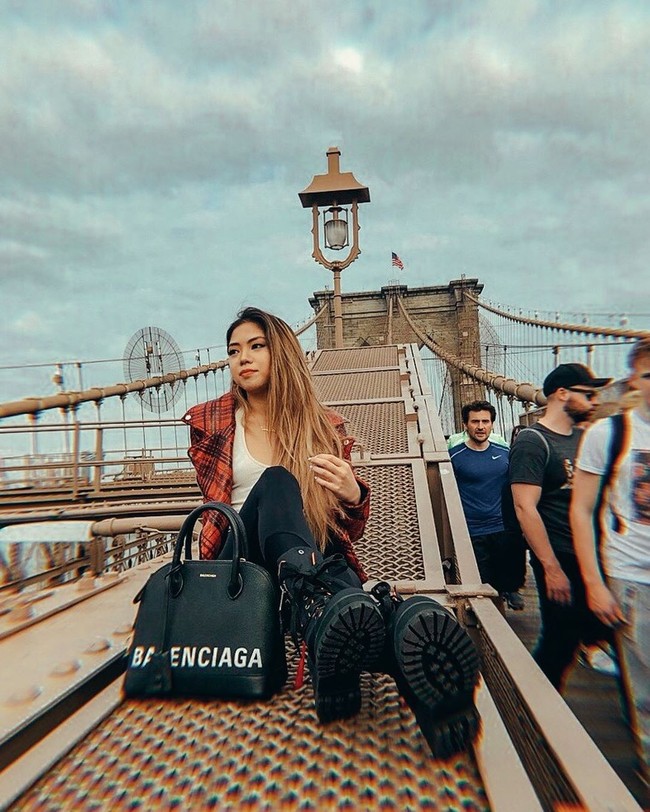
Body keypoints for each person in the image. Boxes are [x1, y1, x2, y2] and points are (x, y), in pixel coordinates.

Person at [183, 307, 480, 755]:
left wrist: (352, 493)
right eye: (234, 350)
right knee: (278, 482)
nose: (242, 357)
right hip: (238, 565)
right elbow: (217, 508)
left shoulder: (321, 426)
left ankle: (415, 669)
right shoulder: (213, 421)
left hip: (298, 567)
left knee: (339, 576)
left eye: (256, 346)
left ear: (281, 353)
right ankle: (336, 613)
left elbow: (348, 530)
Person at [570, 339, 650, 785]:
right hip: (633, 577)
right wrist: (595, 584)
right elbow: (582, 510)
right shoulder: (609, 434)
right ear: (634, 379)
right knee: (646, 690)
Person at [510, 362, 612, 691]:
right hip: (562, 556)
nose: (595, 401)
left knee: (608, 629)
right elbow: (525, 507)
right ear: (562, 394)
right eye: (588, 395)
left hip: (597, 554)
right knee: (560, 640)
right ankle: (534, 704)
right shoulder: (532, 441)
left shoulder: (588, 438)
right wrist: (551, 568)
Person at [450, 400, 525, 610]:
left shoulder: (504, 453)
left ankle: (509, 594)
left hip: (504, 529)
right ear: (465, 425)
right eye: (475, 422)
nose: (481, 426)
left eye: (485, 421)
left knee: (506, 584)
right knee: (482, 593)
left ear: (492, 424)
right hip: (473, 532)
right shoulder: (454, 456)